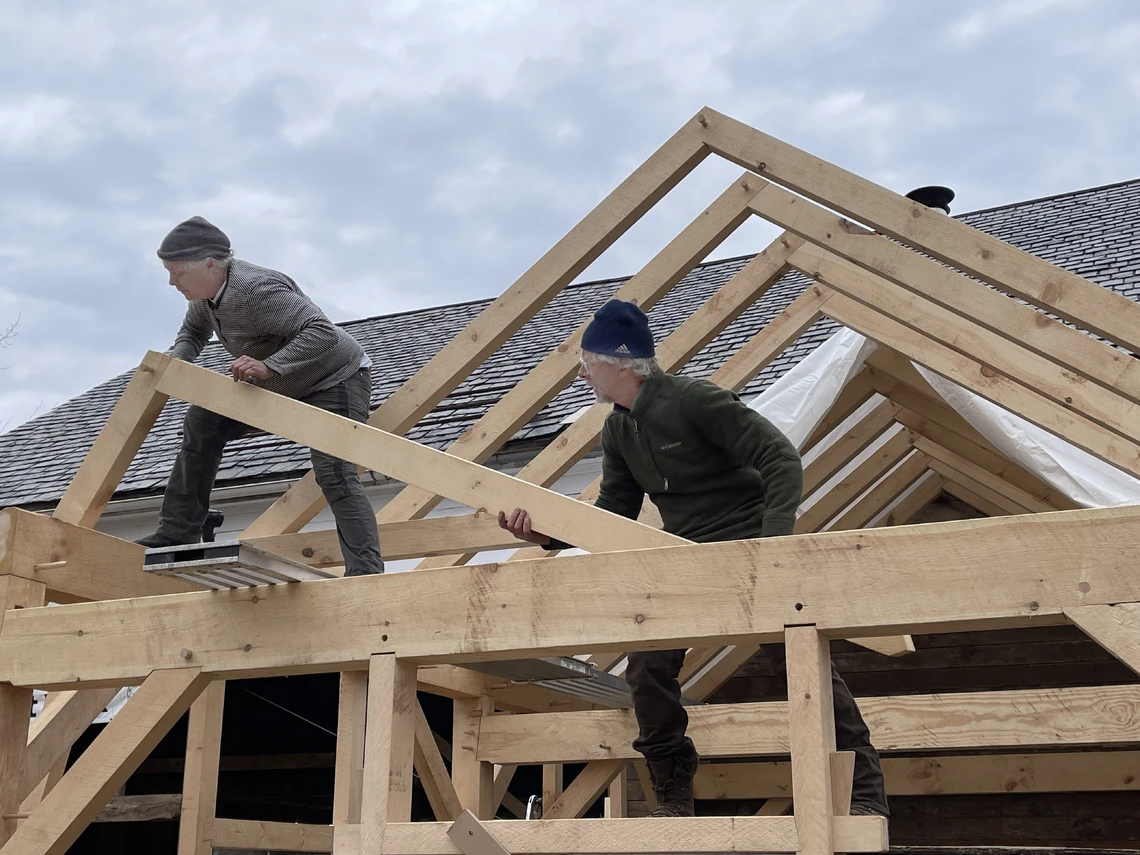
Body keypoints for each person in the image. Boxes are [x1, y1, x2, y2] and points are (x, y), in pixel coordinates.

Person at [498, 299, 888, 818]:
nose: (581, 371)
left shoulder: (694, 399)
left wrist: (770, 548)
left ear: (618, 362)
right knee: (647, 664)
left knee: (801, 665)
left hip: (749, 546)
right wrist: (545, 536)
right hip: (684, 558)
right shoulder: (618, 429)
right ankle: (674, 794)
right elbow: (614, 511)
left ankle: (863, 795)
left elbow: (780, 459)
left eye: (586, 360)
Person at [135, 216, 385, 577]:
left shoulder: (255, 290)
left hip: (334, 379)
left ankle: (366, 572)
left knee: (334, 472)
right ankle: (178, 531)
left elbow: (322, 332)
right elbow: (192, 331)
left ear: (209, 264)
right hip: (283, 382)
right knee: (203, 420)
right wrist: (179, 363)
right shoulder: (206, 298)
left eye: (177, 272)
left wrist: (270, 366)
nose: (172, 281)